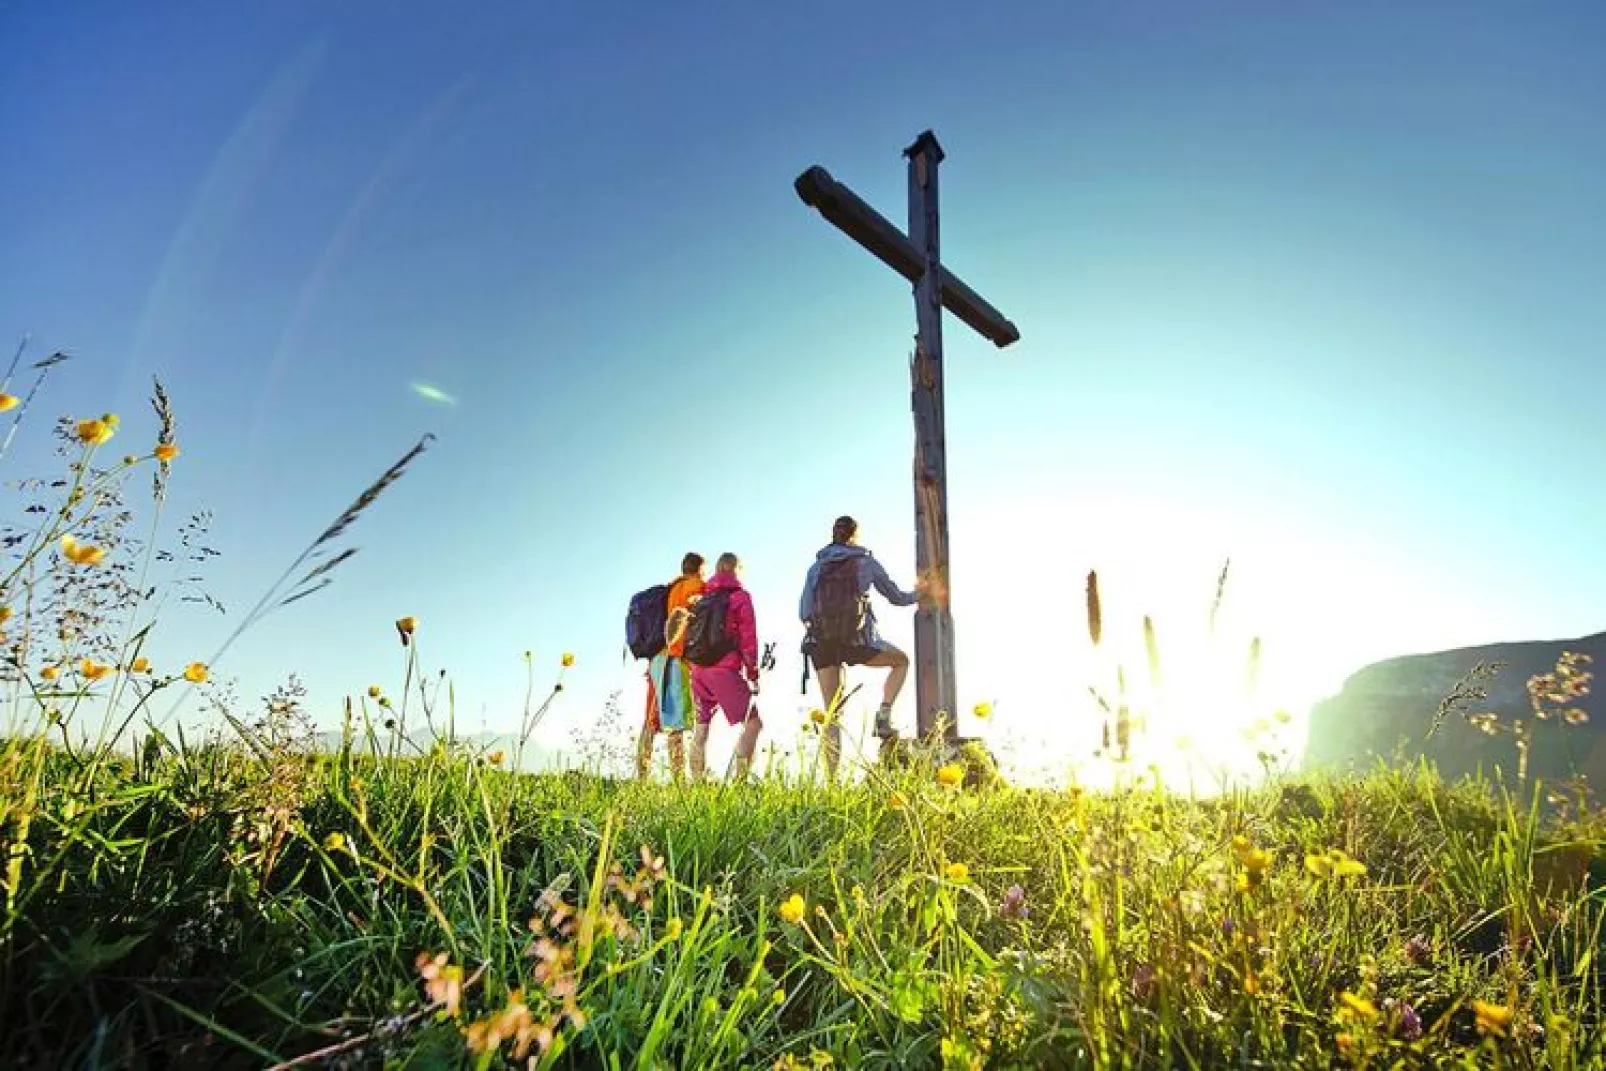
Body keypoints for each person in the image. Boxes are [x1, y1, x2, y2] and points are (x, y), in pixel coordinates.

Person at [798, 515, 930, 777]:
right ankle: (884, 713)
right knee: (901, 661)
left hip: (822, 643)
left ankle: (832, 782)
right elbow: (896, 597)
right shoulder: (865, 562)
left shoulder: (816, 567)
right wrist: (921, 593)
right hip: (857, 641)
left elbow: (804, 611)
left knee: (832, 713)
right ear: (854, 535)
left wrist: (823, 632)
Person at [687, 552, 762, 780]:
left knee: (700, 730)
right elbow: (749, 639)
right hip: (723, 669)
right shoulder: (740, 597)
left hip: (698, 669)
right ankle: (739, 784)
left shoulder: (702, 598)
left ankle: (696, 788)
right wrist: (753, 673)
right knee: (754, 723)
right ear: (736, 569)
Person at [637, 552, 704, 781]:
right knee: (676, 723)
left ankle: (641, 780)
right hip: (675, 661)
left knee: (650, 722)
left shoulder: (667, 591)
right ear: (700, 569)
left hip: (656, 661)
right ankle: (679, 781)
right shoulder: (696, 586)